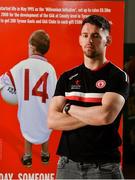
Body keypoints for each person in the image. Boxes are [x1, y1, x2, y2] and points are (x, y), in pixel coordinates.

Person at [48, 15, 129, 179]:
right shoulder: (67, 77)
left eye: (96, 35)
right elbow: (52, 120)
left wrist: (68, 108)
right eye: (85, 35)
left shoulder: (118, 77)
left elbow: (105, 116)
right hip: (67, 165)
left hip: (103, 168)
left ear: (108, 40)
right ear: (79, 39)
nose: (89, 40)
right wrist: (94, 115)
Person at [0, 30, 57, 167]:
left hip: (28, 109)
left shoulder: (22, 65)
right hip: (45, 110)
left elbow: (5, 79)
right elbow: (56, 90)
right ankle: (45, 155)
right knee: (45, 130)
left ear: (32, 47)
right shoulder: (50, 69)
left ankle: (27, 156)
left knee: (27, 130)